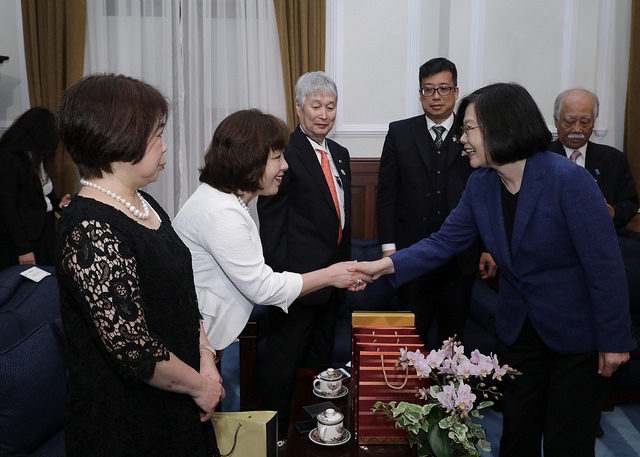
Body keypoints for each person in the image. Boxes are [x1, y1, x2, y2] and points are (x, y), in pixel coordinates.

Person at [354, 82, 635, 457]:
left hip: (575, 336)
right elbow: (443, 242)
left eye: (468, 129)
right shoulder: (481, 185)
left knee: (567, 442)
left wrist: (615, 340)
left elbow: (605, 266)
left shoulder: (569, 180)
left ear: (500, 128)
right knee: (517, 436)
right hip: (518, 334)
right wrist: (382, 266)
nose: (461, 139)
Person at [55, 74, 224, 457]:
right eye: (157, 134)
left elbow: (182, 295)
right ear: (118, 139)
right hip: (129, 423)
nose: (164, 144)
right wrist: (201, 386)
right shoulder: (89, 229)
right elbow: (136, 349)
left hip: (180, 398)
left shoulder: (144, 203)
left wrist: (205, 355)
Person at [173, 109, 368, 354]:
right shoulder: (222, 213)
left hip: (202, 337)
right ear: (249, 160)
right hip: (190, 340)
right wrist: (331, 275)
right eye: (277, 157)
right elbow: (263, 288)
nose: (285, 165)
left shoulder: (222, 200)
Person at [257, 71, 352, 437]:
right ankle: (277, 438)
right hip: (295, 286)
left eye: (330, 106)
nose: (324, 114)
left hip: (332, 284)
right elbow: (272, 222)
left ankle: (311, 434)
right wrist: (283, 280)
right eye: (316, 106)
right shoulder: (284, 153)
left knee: (319, 368)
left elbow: (340, 220)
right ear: (298, 107)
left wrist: (347, 272)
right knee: (283, 369)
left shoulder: (340, 154)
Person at [376, 57, 494, 348]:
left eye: (444, 88)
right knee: (411, 339)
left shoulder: (473, 134)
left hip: (461, 257)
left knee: (453, 339)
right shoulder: (400, 132)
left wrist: (487, 247)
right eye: (428, 89)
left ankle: (450, 381)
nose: (436, 96)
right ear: (420, 94)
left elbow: (488, 197)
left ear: (456, 92)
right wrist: (389, 249)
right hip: (411, 254)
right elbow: (387, 195)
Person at [550, 88, 638, 229]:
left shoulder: (614, 159)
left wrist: (613, 213)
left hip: (600, 234)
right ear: (556, 121)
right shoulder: (538, 158)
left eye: (585, 122)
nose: (577, 129)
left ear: (594, 122)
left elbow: (630, 203)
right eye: (570, 122)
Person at [0, 107, 71, 270]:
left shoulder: (39, 158)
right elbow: (7, 208)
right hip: (21, 239)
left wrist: (58, 202)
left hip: (43, 231)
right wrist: (23, 249)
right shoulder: (9, 159)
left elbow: (36, 198)